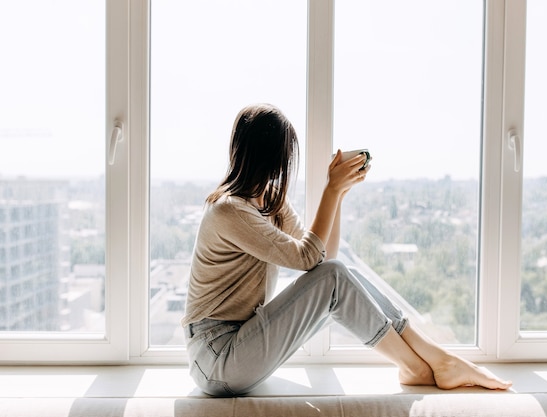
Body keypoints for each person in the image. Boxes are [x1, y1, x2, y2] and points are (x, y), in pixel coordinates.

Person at [181, 103, 512, 396]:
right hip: (216, 358)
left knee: (341, 274)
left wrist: (338, 194)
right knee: (336, 277)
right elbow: (308, 258)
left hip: (241, 344)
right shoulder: (228, 210)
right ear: (275, 158)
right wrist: (330, 189)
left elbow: (325, 260)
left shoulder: (268, 203)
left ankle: (435, 358)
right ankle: (418, 366)